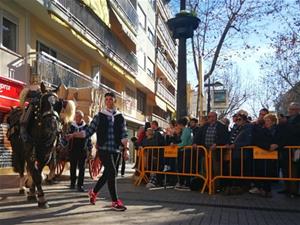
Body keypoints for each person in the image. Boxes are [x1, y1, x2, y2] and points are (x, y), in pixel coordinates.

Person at [66, 92, 129, 211]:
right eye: (107, 99)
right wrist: (74, 134)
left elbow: (124, 134)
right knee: (112, 172)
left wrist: (126, 149)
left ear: (115, 101)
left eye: (111, 99)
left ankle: (93, 193)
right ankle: (115, 202)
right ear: (105, 102)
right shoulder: (99, 116)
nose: (109, 101)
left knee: (107, 174)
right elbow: (88, 132)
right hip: (104, 149)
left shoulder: (120, 117)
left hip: (116, 150)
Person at [68, 110, 92, 192]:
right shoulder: (71, 126)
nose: (77, 118)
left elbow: (88, 138)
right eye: (76, 117)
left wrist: (90, 148)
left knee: (82, 169)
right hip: (73, 149)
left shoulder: (86, 127)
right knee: (73, 167)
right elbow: (67, 136)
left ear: (82, 118)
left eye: (78, 117)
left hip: (83, 150)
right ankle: (72, 183)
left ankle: (80, 185)